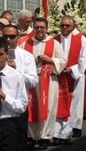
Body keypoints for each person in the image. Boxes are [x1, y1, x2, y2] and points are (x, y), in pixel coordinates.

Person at [19, 18, 66, 150]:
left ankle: (44, 137)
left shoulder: (54, 43)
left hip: (49, 80)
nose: (40, 30)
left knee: (48, 108)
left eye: (42, 27)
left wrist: (50, 60)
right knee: (31, 107)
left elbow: (63, 60)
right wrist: (32, 60)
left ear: (47, 28)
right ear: (33, 28)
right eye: (37, 27)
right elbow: (19, 60)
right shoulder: (25, 43)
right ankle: (32, 136)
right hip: (31, 80)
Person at [53, 16, 86, 143]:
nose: (64, 28)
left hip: (75, 74)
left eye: (67, 26)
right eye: (62, 25)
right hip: (59, 74)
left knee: (75, 102)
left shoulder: (81, 39)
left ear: (72, 26)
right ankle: (59, 130)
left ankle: (75, 126)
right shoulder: (55, 39)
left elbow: (85, 58)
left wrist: (73, 69)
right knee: (60, 101)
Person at [1, 24, 38, 149]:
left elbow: (33, 81)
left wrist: (16, 71)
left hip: (18, 106)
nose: (8, 40)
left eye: (11, 37)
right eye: (5, 36)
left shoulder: (26, 56)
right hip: (0, 107)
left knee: (19, 142)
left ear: (18, 37)